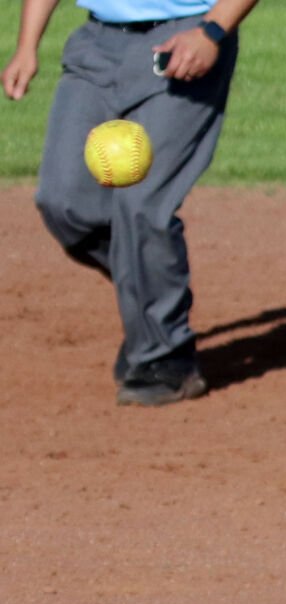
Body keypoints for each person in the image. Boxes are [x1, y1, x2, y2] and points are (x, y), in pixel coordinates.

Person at [3, 0, 259, 406]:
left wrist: (212, 31)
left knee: (142, 206)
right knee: (64, 202)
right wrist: (26, 46)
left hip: (184, 38)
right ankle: (148, 296)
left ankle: (166, 357)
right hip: (97, 46)